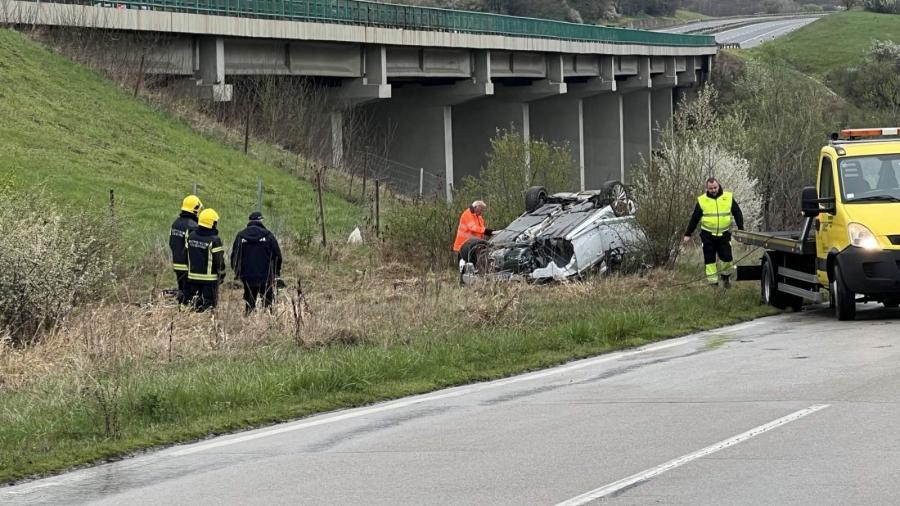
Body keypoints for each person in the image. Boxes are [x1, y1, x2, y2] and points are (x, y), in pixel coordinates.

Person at [683, 178, 744, 288]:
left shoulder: (728, 197)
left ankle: (726, 278)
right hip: (708, 235)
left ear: (719, 186)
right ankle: (713, 284)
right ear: (707, 188)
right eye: (711, 188)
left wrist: (741, 228)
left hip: (724, 235)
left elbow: (737, 212)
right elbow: (694, 218)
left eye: (715, 187)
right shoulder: (702, 200)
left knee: (727, 258)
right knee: (709, 260)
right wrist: (688, 234)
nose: (713, 190)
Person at [230, 211, 283, 314]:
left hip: (247, 275)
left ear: (249, 221)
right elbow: (277, 255)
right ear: (261, 221)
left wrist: (238, 273)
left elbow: (235, 257)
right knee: (267, 302)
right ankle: (268, 321)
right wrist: (276, 273)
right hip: (266, 275)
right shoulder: (268, 235)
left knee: (249, 302)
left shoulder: (241, 236)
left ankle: (249, 321)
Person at [186, 208, 226, 311]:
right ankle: (206, 325)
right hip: (209, 279)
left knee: (195, 305)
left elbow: (186, 253)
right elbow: (219, 260)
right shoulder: (214, 240)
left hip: (192, 277)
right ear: (212, 223)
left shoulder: (191, 236)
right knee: (209, 305)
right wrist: (222, 274)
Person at [169, 195, 202, 305]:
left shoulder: (175, 223)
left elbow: (171, 243)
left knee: (181, 290)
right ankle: (187, 312)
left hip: (177, 264)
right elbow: (194, 248)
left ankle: (181, 310)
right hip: (188, 266)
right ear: (195, 209)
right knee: (189, 293)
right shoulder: (192, 226)